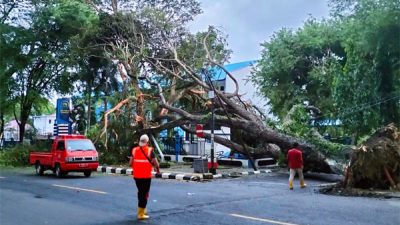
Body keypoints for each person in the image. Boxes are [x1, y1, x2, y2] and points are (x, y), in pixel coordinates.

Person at [129, 134, 160, 220]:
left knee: (140, 192)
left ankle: (142, 209)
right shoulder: (150, 150)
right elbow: (156, 163)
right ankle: (141, 214)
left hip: (136, 176)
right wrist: (157, 169)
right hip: (146, 176)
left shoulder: (134, 150)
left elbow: (130, 163)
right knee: (144, 194)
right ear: (147, 142)